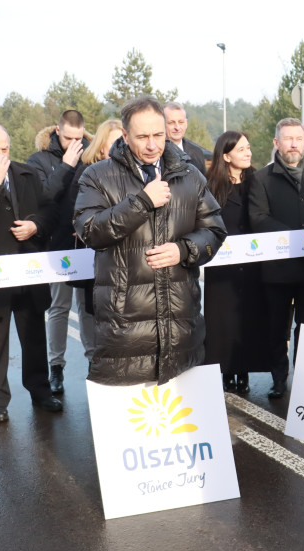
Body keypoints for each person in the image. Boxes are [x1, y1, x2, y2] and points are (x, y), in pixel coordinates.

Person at [73, 96, 226, 386]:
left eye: (158, 135)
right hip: (125, 327)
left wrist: (183, 250)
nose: (152, 145)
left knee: (182, 426)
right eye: (142, 137)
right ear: (126, 135)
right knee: (131, 424)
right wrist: (142, 203)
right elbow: (90, 231)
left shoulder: (189, 174)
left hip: (181, 323)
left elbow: (215, 230)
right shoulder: (97, 176)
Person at [0, 124, 63, 422]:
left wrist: (36, 226)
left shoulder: (26, 174)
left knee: (33, 338)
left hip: (28, 270)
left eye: (4, 149)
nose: (0, 155)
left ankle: (40, 391)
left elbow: (50, 211)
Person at [248, 118, 304, 399]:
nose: (294, 143)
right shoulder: (261, 178)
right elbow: (257, 219)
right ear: (276, 143)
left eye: (299, 138)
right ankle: (279, 380)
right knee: (277, 327)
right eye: (288, 138)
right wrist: (294, 237)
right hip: (277, 269)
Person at [26, 110, 91, 395]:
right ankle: (56, 368)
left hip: (87, 240)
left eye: (79, 137)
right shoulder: (39, 159)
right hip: (57, 243)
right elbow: (42, 197)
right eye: (68, 137)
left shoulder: (90, 155)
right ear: (57, 130)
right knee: (59, 308)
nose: (74, 143)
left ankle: (94, 365)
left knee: (88, 308)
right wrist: (65, 166)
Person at [203, 131, 271, 393]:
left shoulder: (258, 180)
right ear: (226, 155)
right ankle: (225, 370)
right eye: (242, 149)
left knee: (249, 318)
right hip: (222, 264)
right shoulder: (211, 186)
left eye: (249, 147)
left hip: (254, 262)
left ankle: (244, 370)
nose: (248, 152)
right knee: (222, 319)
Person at [57, 119, 124, 379]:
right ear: (101, 144)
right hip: (91, 256)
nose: (120, 146)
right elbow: (77, 215)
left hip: (121, 258)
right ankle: (93, 362)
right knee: (89, 312)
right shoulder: (87, 170)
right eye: (115, 142)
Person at [163, 102, 209, 177]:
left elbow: (203, 186)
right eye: (171, 123)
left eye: (181, 122)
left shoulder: (197, 153)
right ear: (162, 124)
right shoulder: (155, 153)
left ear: (186, 123)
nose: (177, 127)